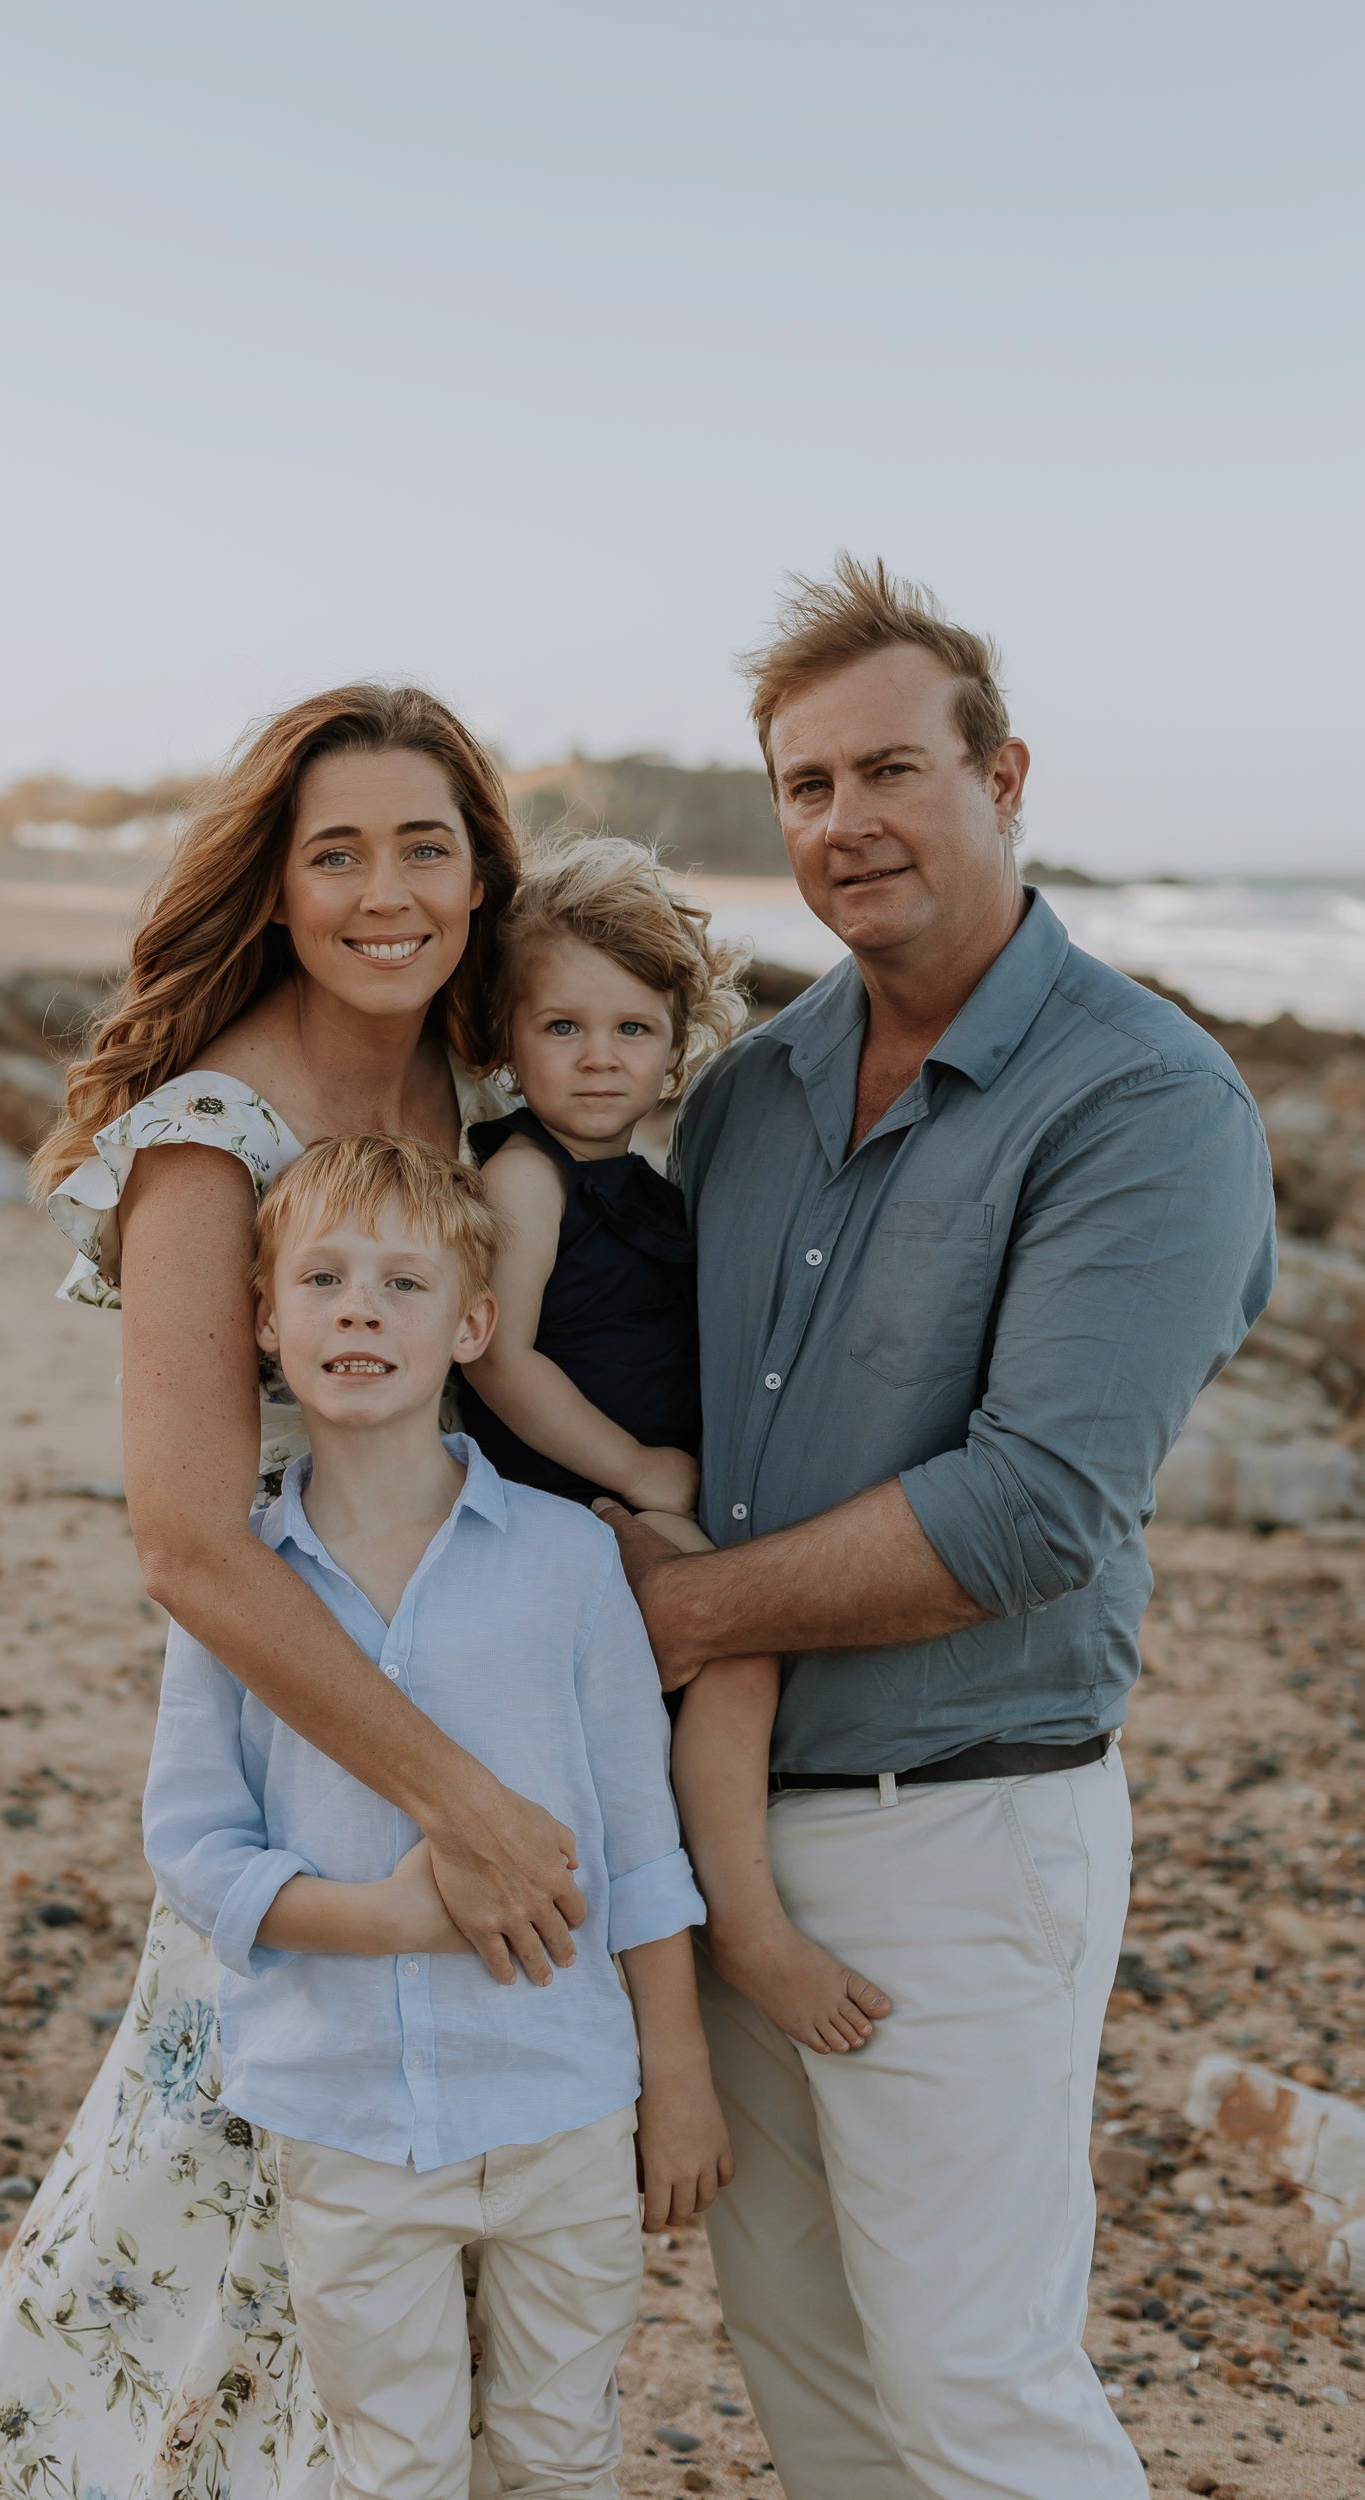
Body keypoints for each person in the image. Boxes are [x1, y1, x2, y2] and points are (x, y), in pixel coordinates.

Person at [601, 558, 1278, 2500]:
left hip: (963, 1833)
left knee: (980, 2387)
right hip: (720, 1846)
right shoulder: (740, 1098)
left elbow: (1035, 1504)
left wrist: (677, 1613)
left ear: (1006, 775)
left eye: (891, 766)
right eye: (803, 786)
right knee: (810, 2372)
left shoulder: (1148, 1100)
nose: (842, 823)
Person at [0, 687, 586, 2499]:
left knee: (429, 2285)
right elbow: (188, 1542)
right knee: (209, 2209)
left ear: (477, 874)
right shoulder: (209, 1139)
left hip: (485, 1682)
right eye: (333, 852)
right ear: (275, 893)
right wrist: (469, 1807)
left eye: (423, 847)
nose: (384, 890)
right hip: (301, 1736)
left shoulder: (489, 1089)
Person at [145, 1131, 729, 2499]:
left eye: (405, 1285)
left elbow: (640, 1843)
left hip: (563, 2105)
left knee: (558, 2451)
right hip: (343, 2117)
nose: (360, 1308)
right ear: (262, 1318)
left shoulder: (571, 1562)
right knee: (393, 2461)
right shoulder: (237, 1581)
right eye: (325, 1278)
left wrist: (681, 2080)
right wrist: (381, 1917)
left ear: (473, 1325)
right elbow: (193, 1845)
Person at [458, 833, 890, 2056]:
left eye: (633, 1030)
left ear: (677, 1042)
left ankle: (696, 1888)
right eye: (563, 1029)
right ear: (506, 1034)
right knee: (738, 1646)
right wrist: (635, 1471)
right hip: (564, 1491)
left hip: (622, 1485)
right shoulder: (527, 1177)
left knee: (723, 1673)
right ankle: (745, 1925)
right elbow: (500, 1354)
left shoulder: (651, 1176)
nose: (600, 1058)